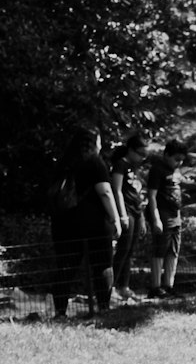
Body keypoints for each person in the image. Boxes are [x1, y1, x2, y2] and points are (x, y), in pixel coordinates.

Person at [48, 124, 122, 318]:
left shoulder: (63, 163)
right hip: (94, 223)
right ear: (94, 143)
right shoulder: (95, 162)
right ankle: (104, 308)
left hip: (64, 222)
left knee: (66, 267)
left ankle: (60, 311)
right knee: (102, 265)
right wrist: (116, 219)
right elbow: (105, 192)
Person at [109, 132, 149, 304]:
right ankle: (110, 288)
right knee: (123, 250)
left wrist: (142, 217)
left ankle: (124, 287)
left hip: (136, 211)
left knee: (130, 250)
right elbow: (116, 190)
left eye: (144, 155)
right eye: (140, 153)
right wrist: (122, 214)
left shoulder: (134, 168)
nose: (142, 157)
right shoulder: (120, 165)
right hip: (125, 212)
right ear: (131, 150)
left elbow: (137, 192)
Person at [146, 138, 188, 299]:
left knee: (173, 250)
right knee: (160, 249)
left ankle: (168, 285)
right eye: (176, 159)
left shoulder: (175, 171)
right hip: (162, 216)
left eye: (181, 160)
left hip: (175, 216)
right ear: (166, 155)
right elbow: (152, 195)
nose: (179, 163)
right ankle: (155, 286)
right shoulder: (157, 170)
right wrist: (155, 218)